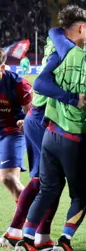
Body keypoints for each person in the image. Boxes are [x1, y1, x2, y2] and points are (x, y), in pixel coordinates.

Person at [17, 16, 86, 251]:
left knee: (47, 189)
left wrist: (68, 97)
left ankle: (27, 239)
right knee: (81, 196)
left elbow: (41, 78)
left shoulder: (69, 54)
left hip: (50, 134)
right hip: (76, 141)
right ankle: (65, 239)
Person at [0, 49, 31, 203]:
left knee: (9, 178)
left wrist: (26, 121)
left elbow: (33, 114)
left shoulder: (18, 84)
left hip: (11, 131)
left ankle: (36, 217)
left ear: (2, 67)